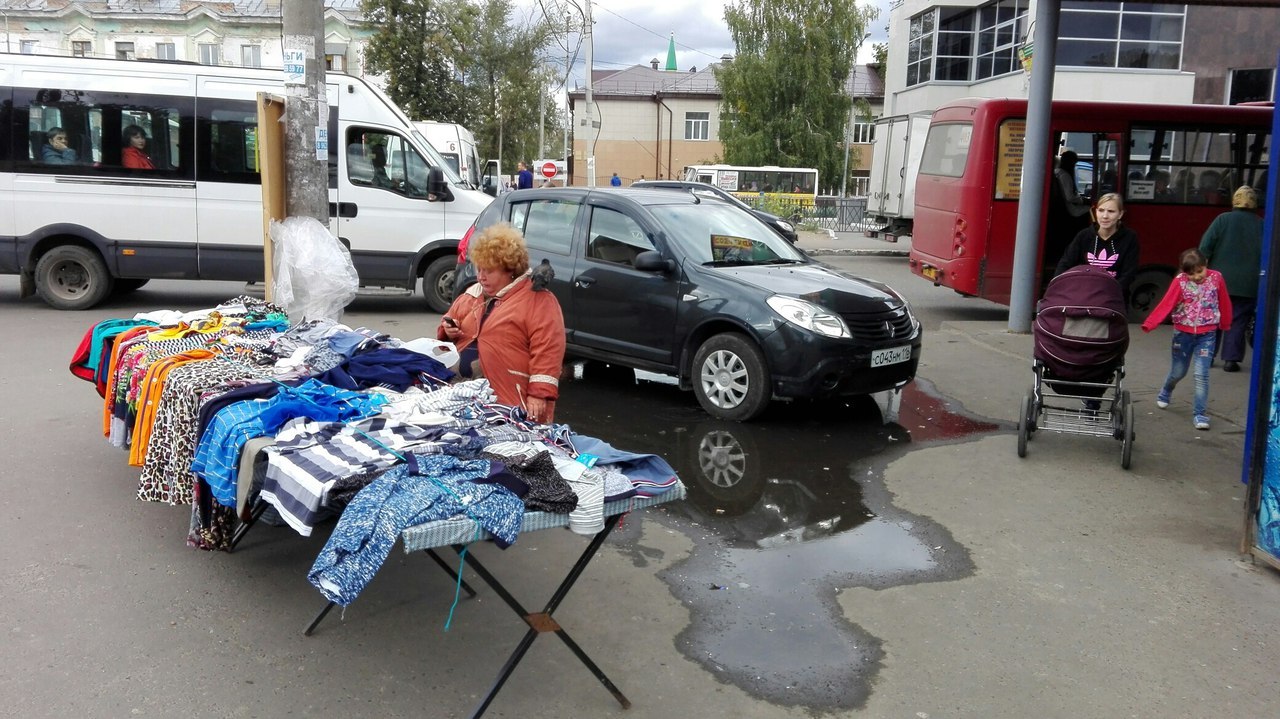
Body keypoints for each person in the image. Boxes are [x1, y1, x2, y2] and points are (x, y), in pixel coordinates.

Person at [437, 222, 566, 423]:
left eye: (489, 271)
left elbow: (549, 350)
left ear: (510, 269)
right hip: (461, 397)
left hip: (510, 400)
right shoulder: (471, 295)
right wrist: (447, 330)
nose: (481, 277)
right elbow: (445, 325)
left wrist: (539, 394)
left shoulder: (538, 300)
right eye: (479, 269)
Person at [1141, 248, 1232, 431]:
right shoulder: (1179, 282)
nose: (1197, 276)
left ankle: (1200, 414)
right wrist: (1151, 323)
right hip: (1183, 334)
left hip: (1207, 334)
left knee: (1201, 375)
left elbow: (1224, 301)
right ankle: (1167, 389)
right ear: (1184, 272)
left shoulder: (1217, 278)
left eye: (1200, 271)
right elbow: (1167, 303)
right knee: (1178, 372)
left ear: (1205, 264)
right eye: (1191, 273)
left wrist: (1225, 322)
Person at [1198, 185, 1263, 373]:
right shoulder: (1261, 224)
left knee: (1214, 318)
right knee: (1238, 320)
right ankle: (1231, 360)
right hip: (1249, 284)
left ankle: (1208, 355)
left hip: (1219, 281)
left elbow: (1205, 247)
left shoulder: (1222, 220)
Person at [1054, 193, 1140, 298]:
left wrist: (1106, 294)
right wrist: (1059, 288)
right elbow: (1065, 264)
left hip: (1113, 297)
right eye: (1101, 210)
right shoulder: (1084, 236)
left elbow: (1128, 274)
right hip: (1081, 295)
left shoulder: (1129, 238)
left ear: (1120, 214)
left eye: (1111, 211)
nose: (1105, 216)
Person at [1055, 151, 1090, 220]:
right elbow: (1070, 197)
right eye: (1074, 163)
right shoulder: (1065, 175)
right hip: (1072, 209)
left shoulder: (1057, 171)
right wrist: (1083, 201)